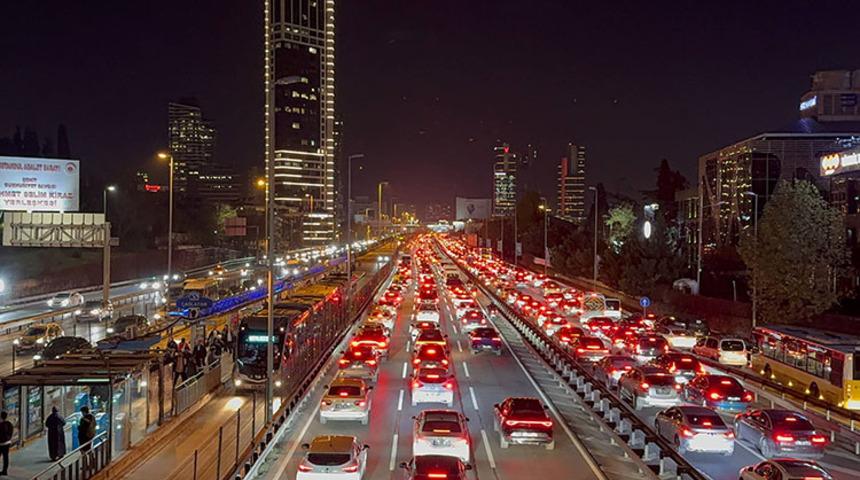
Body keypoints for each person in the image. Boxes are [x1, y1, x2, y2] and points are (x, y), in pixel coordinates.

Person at [0, 411, 13, 475]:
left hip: (1, 443)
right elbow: (11, 432)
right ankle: (5, 471)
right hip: (7, 443)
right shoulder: (9, 424)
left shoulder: (1, 425)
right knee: (6, 457)